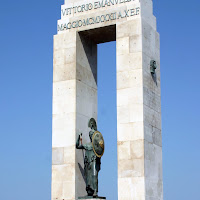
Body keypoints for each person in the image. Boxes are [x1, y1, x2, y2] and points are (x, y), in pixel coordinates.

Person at [76, 118, 101, 197]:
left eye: (92, 135)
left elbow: (100, 152)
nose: (91, 137)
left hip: (94, 162)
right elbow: (77, 146)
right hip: (88, 164)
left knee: (94, 176)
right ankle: (89, 192)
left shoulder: (96, 146)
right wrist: (78, 137)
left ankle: (95, 192)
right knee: (88, 179)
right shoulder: (87, 145)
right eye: (90, 135)